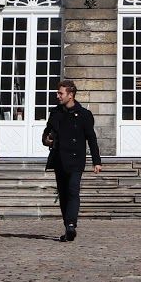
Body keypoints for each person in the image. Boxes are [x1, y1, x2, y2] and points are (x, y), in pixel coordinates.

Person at [41, 78, 102, 242]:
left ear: (71, 94)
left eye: (60, 93)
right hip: (59, 158)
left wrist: (97, 161)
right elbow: (46, 133)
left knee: (73, 191)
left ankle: (71, 225)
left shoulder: (84, 115)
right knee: (63, 194)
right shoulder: (55, 112)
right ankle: (68, 226)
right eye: (58, 93)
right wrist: (46, 140)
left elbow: (92, 138)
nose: (57, 96)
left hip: (75, 160)